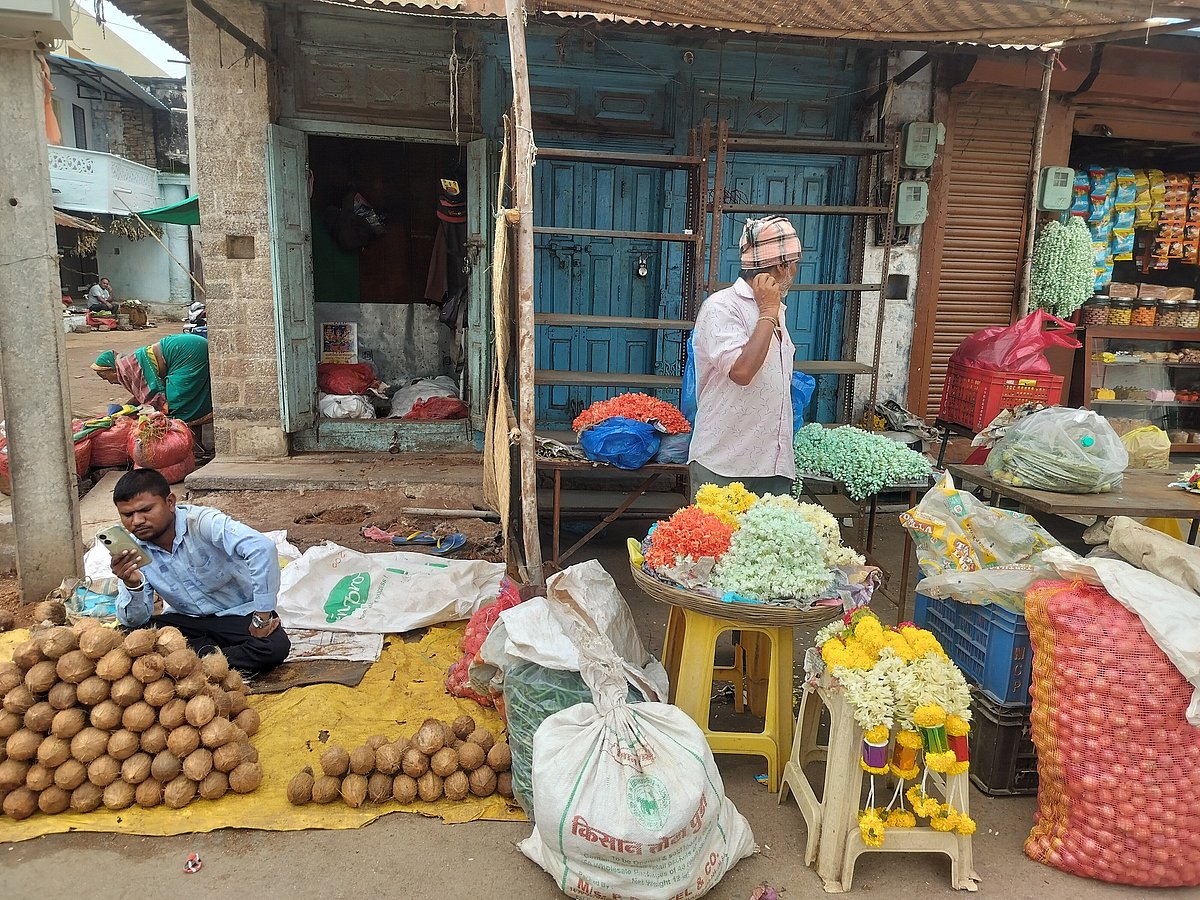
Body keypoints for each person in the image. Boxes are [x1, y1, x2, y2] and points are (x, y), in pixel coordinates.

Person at [108, 469, 289, 675]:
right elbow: (136, 620)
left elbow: (261, 548)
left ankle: (185, 663)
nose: (137, 521)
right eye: (127, 515)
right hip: (187, 620)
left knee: (274, 646)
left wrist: (262, 617)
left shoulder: (202, 522)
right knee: (125, 635)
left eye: (146, 510)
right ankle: (207, 660)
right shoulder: (132, 549)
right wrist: (133, 584)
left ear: (170, 502)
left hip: (236, 616)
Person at [688, 216, 800, 498]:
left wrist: (770, 311)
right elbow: (742, 372)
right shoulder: (722, 306)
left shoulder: (774, 309)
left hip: (772, 465)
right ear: (781, 266)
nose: (795, 271)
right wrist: (767, 314)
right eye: (794, 263)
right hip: (725, 464)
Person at [91, 332, 213, 427]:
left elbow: (153, 392)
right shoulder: (130, 363)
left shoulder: (129, 368)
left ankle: (193, 446)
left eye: (106, 377)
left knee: (177, 404)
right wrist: (124, 409)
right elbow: (142, 393)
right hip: (190, 347)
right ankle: (197, 446)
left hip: (189, 353)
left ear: (113, 370)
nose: (110, 382)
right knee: (185, 400)